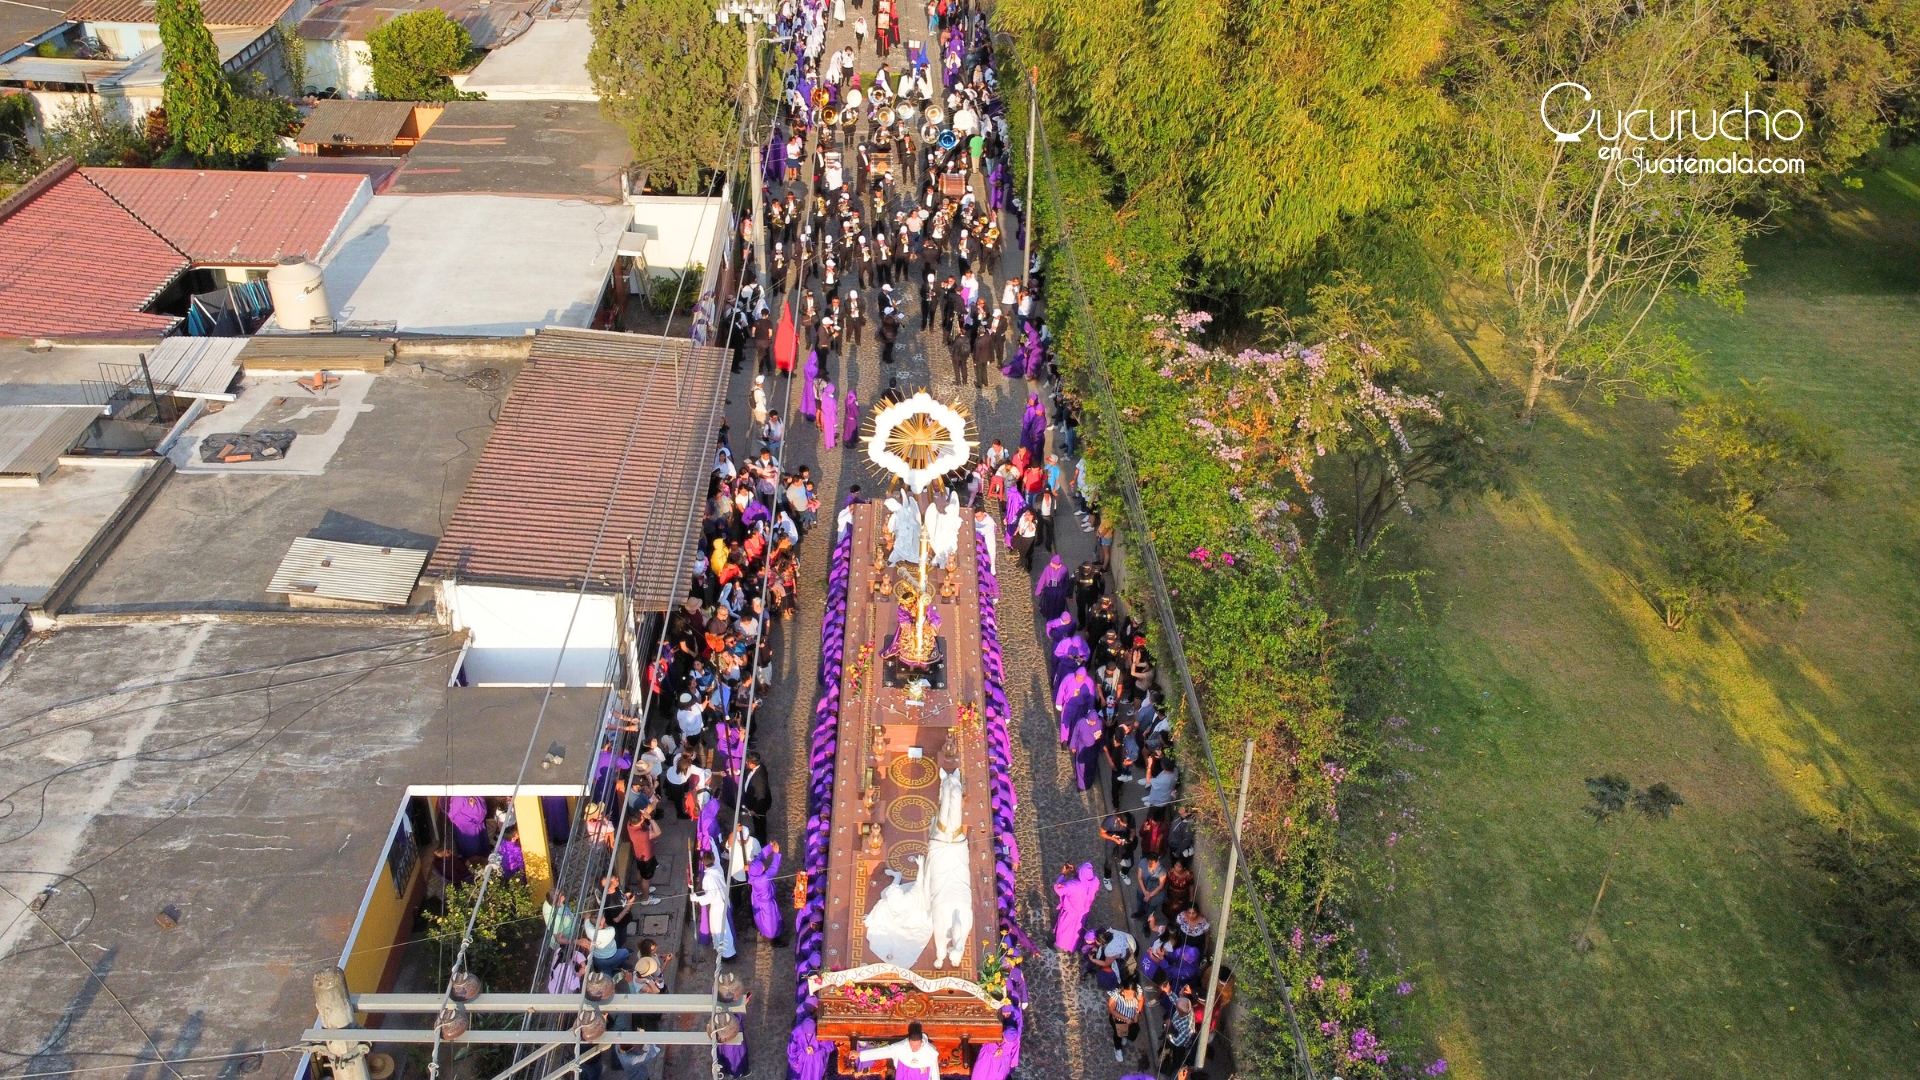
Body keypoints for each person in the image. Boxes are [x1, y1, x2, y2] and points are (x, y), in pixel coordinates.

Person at [857, 1021, 940, 1080]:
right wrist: (860, 1055)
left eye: (917, 1046)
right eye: (912, 1045)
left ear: (921, 1042)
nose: (914, 1049)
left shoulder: (930, 1052)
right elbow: (882, 1052)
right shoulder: (901, 1047)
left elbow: (935, 1073)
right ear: (909, 1041)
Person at [692, 849, 736, 961]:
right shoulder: (718, 869)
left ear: (703, 863)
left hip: (717, 906)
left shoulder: (707, 878)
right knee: (722, 929)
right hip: (722, 901)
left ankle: (727, 954)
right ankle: (725, 951)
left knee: (720, 930)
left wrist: (696, 898)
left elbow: (710, 896)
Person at [1053, 862, 1100, 951]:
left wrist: (1063, 874)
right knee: (1076, 932)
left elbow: (1058, 888)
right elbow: (1085, 880)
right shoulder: (1095, 882)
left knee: (1065, 931)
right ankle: (1074, 946)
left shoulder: (1073, 885)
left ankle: (1060, 947)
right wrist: (1075, 872)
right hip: (1084, 913)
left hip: (1071, 913)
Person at [748, 840, 784, 943]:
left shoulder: (752, 871)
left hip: (757, 900)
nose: (764, 865)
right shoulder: (763, 880)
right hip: (766, 904)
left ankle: (763, 930)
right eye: (762, 866)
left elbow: (760, 857)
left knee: (761, 919)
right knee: (771, 922)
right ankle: (774, 939)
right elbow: (773, 868)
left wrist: (770, 847)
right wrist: (776, 853)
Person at [1098, 810, 1135, 892]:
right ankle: (1107, 877)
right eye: (1123, 824)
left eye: (1126, 824)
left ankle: (1123, 873)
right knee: (1109, 860)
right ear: (1118, 819)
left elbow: (1132, 831)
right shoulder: (1109, 821)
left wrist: (1130, 839)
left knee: (1128, 861)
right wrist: (1113, 839)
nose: (1125, 826)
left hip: (1124, 841)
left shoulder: (1130, 818)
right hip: (1111, 842)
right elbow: (1101, 833)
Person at [1107, 983, 1144, 1064]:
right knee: (1118, 1034)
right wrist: (1125, 1018)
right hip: (1118, 1020)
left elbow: (1141, 1000)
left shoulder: (1138, 990)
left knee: (1132, 1033)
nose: (1130, 996)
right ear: (1123, 991)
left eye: (1132, 993)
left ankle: (1125, 1036)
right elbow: (1111, 1009)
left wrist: (1137, 1013)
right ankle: (1117, 1048)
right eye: (1127, 993)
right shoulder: (1116, 994)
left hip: (1131, 1019)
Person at [1133, 853, 1167, 921]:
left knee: (1150, 909)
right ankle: (1140, 913)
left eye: (1153, 863)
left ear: (1157, 862)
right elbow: (1139, 877)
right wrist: (1144, 891)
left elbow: (1161, 885)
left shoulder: (1162, 870)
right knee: (1140, 903)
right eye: (1149, 862)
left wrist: (1149, 895)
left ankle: (1147, 922)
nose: (1150, 865)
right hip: (1142, 888)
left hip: (1154, 892)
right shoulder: (1143, 862)